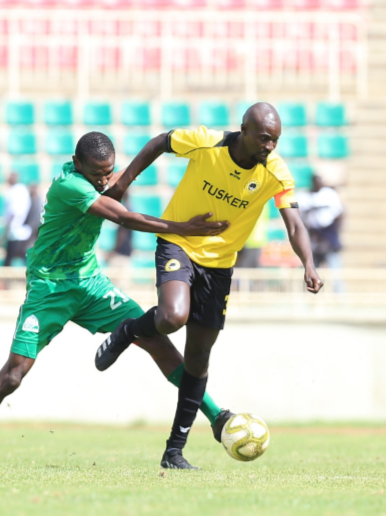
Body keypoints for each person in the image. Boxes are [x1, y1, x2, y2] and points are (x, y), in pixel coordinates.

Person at [0, 132, 229, 466]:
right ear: (77, 165)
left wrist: (133, 168)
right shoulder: (69, 186)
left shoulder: (93, 182)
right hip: (49, 288)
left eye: (108, 172)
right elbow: (121, 216)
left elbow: (118, 190)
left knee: (158, 341)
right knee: (13, 376)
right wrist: (182, 228)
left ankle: (217, 417)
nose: (104, 179)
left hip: (90, 284)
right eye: (97, 173)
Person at [95, 103, 324, 469]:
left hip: (219, 266)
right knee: (172, 316)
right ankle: (128, 331)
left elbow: (294, 223)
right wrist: (122, 184)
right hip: (179, 242)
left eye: (276, 140)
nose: (270, 146)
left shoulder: (275, 173)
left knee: (198, 359)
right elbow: (160, 142)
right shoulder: (206, 142)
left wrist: (308, 263)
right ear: (244, 130)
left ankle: (174, 452)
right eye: (264, 138)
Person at [297, 175, 343, 270]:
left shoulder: (329, 194)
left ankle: (337, 284)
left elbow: (339, 214)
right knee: (312, 265)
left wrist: (334, 233)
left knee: (334, 266)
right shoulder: (304, 196)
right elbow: (300, 216)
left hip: (329, 232)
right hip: (313, 233)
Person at [4, 173, 32, 266]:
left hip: (15, 231)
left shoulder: (15, 191)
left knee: (9, 262)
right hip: (22, 231)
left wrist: (6, 230)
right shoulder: (22, 189)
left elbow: (13, 212)